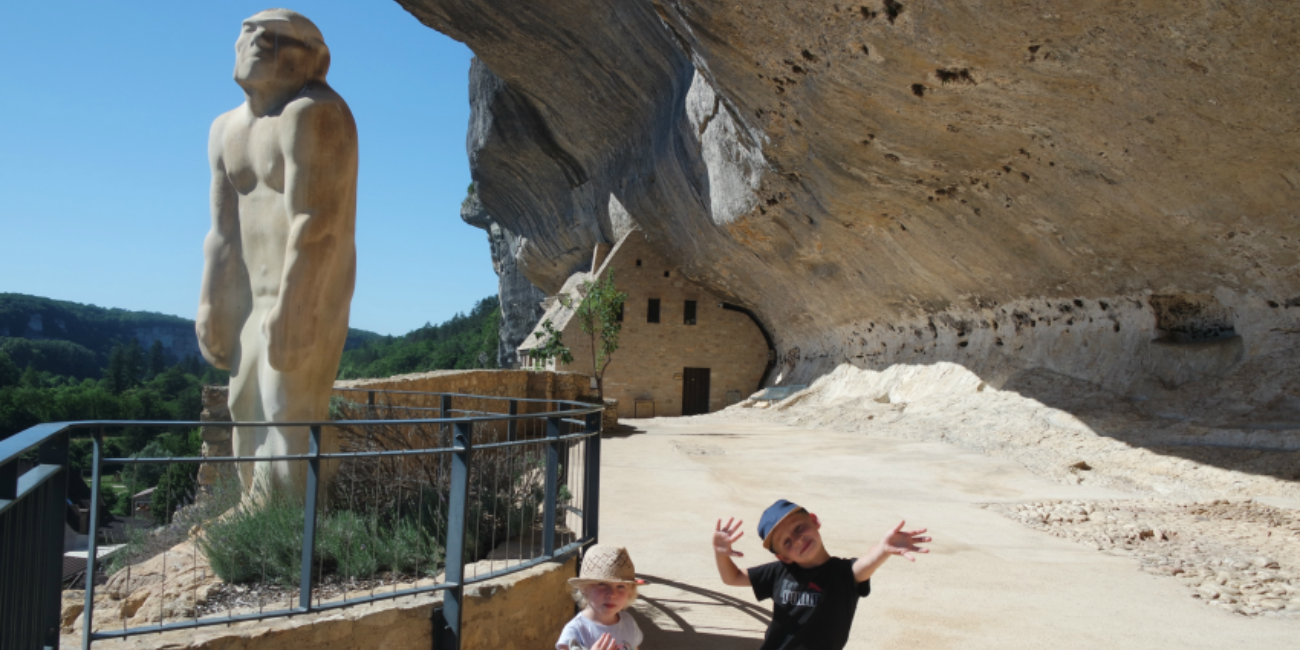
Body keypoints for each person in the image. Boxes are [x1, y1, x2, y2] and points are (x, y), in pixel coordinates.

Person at [198, 9, 357, 497]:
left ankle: (296, 535)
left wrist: (297, 305)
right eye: (248, 32)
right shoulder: (226, 129)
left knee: (289, 411)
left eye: (275, 37)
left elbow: (319, 224)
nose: (256, 42)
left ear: (317, 59)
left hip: (308, 288)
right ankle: (257, 520)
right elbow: (222, 232)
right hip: (253, 300)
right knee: (243, 409)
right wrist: (211, 304)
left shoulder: (313, 113)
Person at [712, 499, 930, 650]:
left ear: (814, 521)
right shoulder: (779, 572)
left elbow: (865, 563)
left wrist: (883, 549)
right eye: (786, 542)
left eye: (798, 528)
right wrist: (721, 555)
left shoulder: (843, 574)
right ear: (783, 556)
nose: (797, 540)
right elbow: (732, 577)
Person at [557, 545, 644, 650]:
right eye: (602, 584)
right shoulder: (575, 632)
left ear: (630, 592)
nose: (612, 594)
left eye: (621, 586)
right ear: (584, 588)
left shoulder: (629, 623)